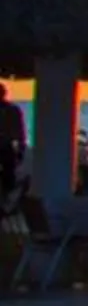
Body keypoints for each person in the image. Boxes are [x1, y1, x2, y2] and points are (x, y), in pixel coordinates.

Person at [0, 79, 23, 210]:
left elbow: (19, 132)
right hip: (7, 147)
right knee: (8, 177)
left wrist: (21, 148)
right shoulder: (13, 110)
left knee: (9, 176)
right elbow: (19, 132)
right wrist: (21, 148)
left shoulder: (13, 110)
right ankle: (5, 199)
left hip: (6, 147)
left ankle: (5, 200)